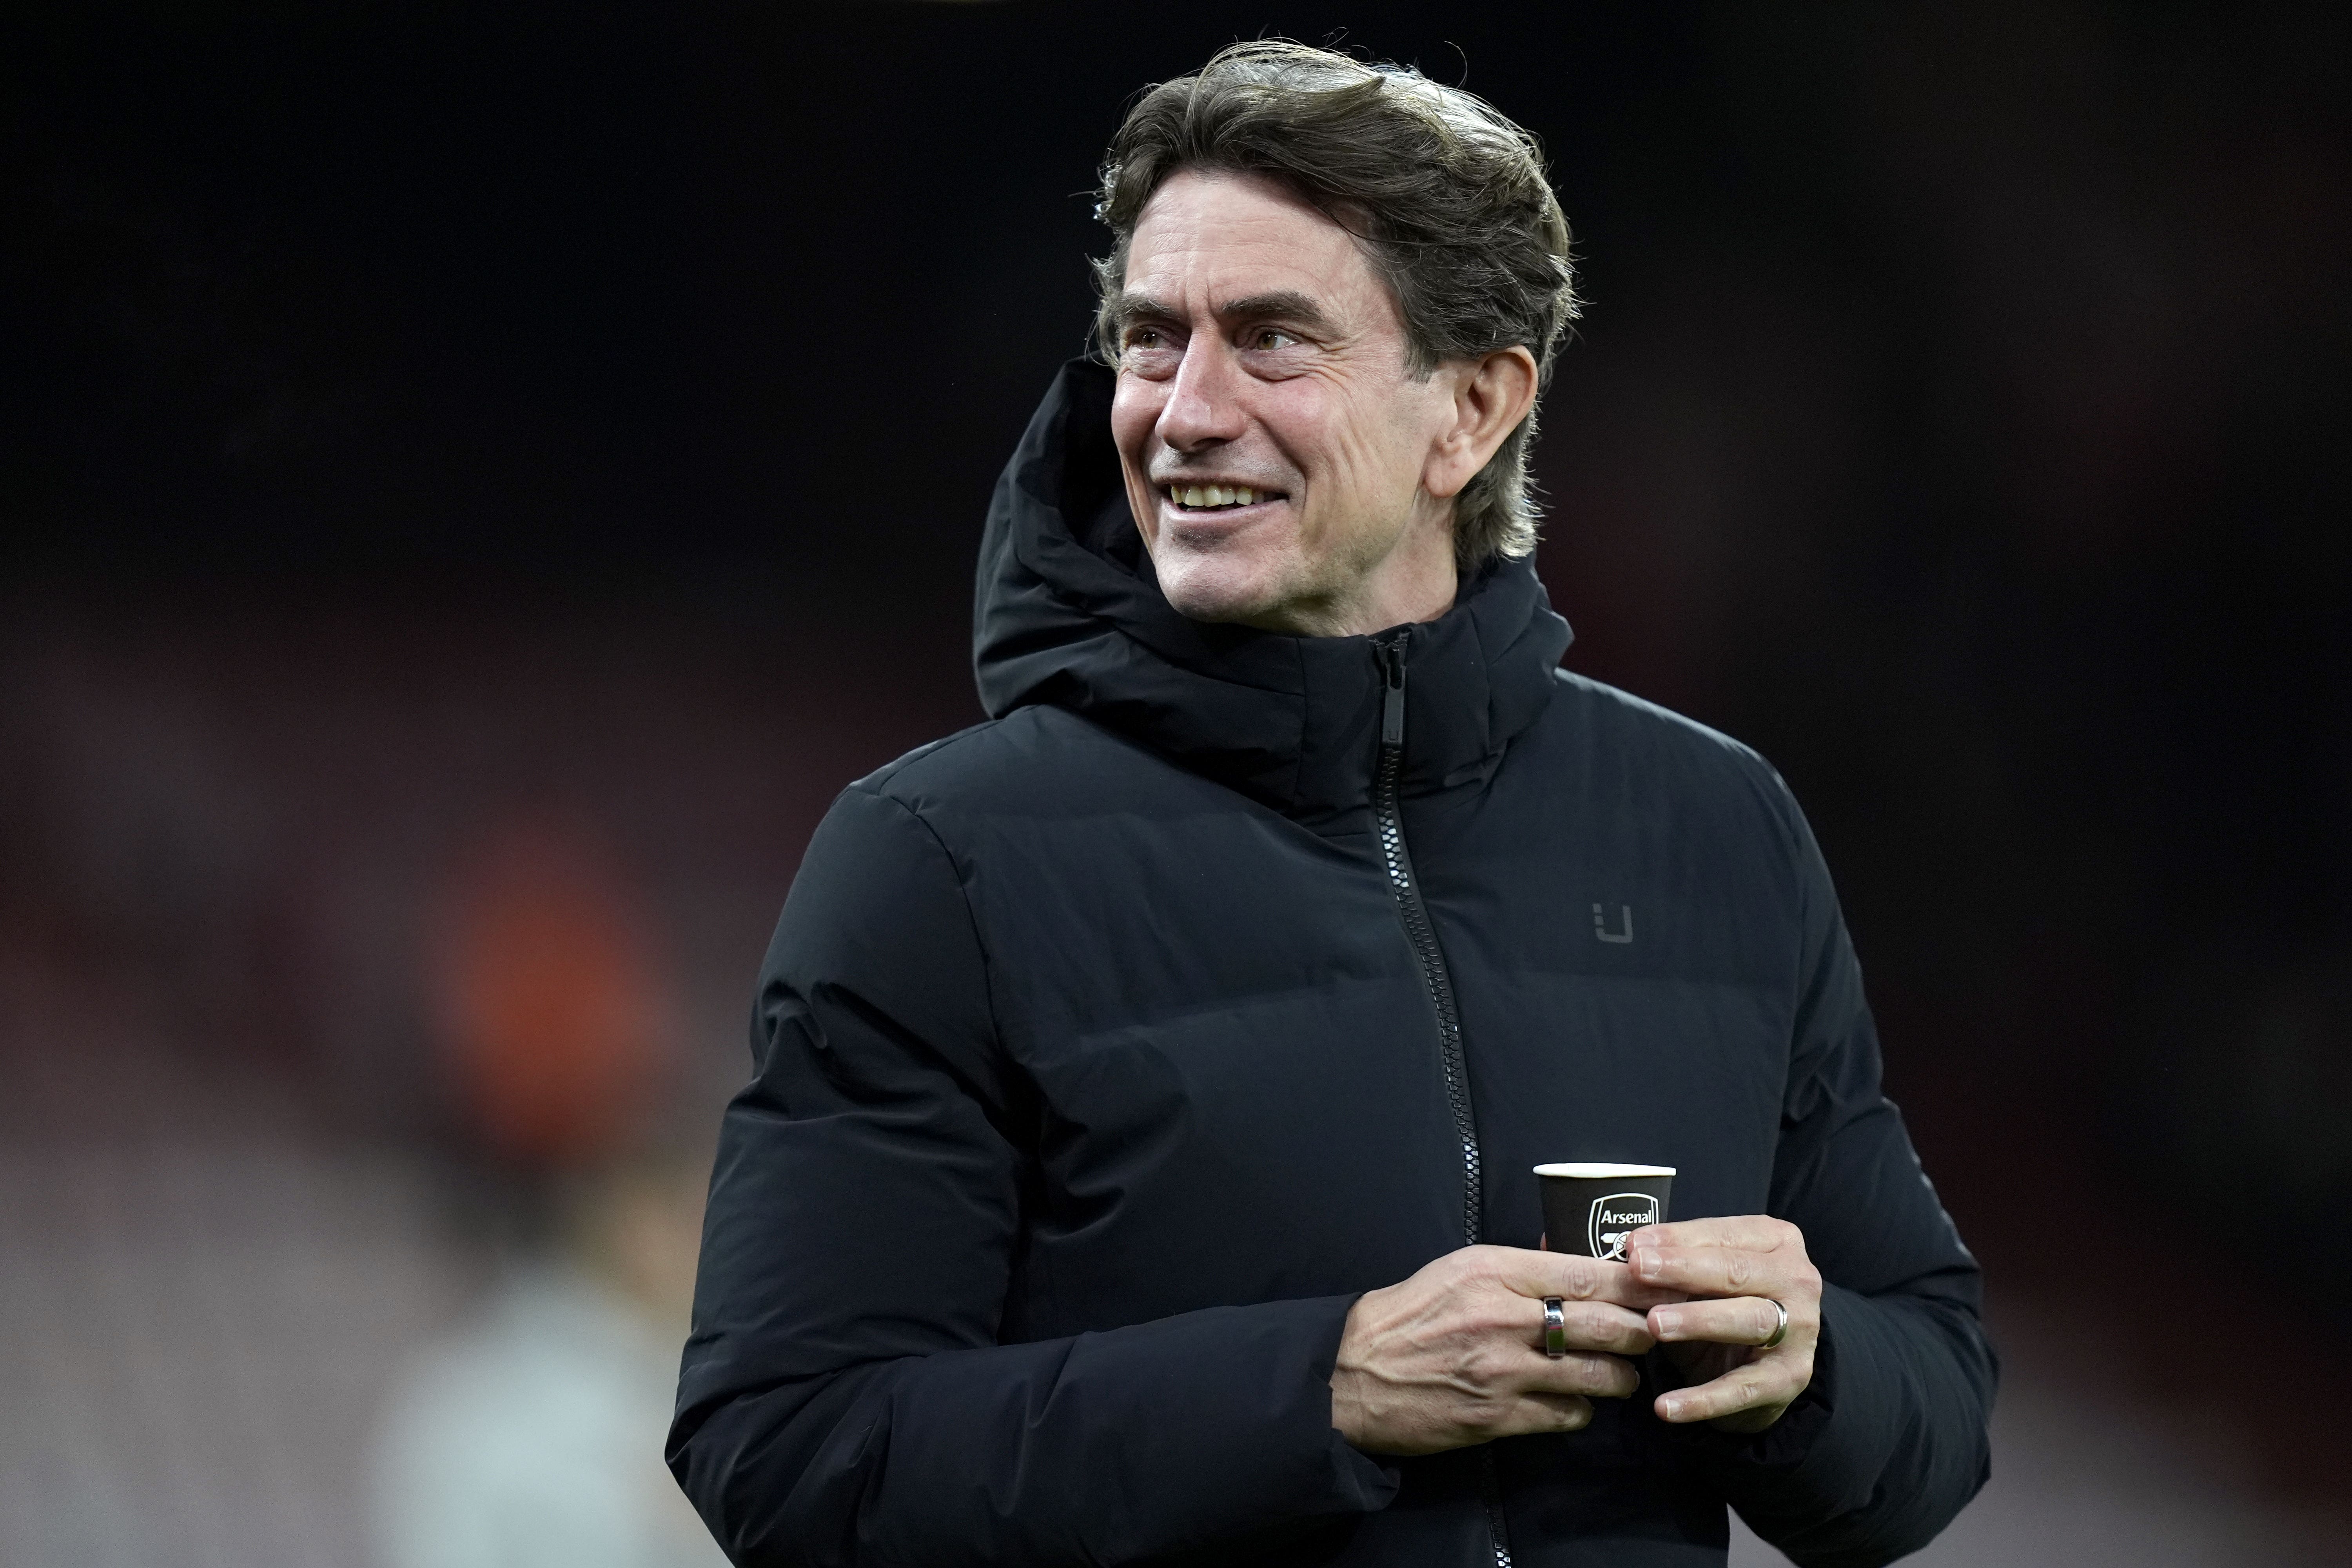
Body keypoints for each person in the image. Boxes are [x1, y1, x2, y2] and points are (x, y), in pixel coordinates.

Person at [670, 40, 1994, 1568]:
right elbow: (785, 1457)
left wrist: (1809, 1368)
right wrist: (1327, 1390)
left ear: (1475, 409)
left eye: (1273, 339)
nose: (1183, 412)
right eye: (1152, 340)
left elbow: (1939, 1402)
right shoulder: (939, 863)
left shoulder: (1712, 825)